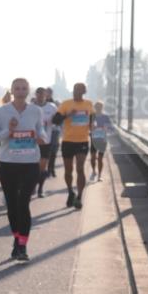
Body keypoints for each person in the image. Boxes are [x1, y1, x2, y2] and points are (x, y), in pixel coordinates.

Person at [0, 78, 49, 261]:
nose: (21, 91)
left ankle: (22, 246)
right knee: (12, 206)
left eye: (24, 88)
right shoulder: (2, 112)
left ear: (28, 91)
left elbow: (42, 131)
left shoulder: (36, 111)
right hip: (8, 163)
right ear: (12, 91)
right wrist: (9, 131)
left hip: (30, 163)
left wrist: (41, 138)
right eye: (17, 88)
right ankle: (16, 239)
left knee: (24, 204)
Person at [52, 82, 95, 210]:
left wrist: (92, 127)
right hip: (68, 141)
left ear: (84, 92)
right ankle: (71, 191)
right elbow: (55, 120)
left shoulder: (88, 104)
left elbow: (92, 117)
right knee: (68, 170)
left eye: (79, 90)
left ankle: (79, 197)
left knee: (80, 168)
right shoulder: (66, 104)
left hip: (82, 141)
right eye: (75, 89)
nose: (76, 92)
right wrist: (68, 115)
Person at [33, 87, 57, 198]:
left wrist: (54, 123)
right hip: (32, 141)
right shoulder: (30, 107)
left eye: (42, 94)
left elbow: (58, 121)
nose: (40, 96)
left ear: (46, 95)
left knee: (42, 166)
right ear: (35, 95)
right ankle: (32, 186)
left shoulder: (52, 107)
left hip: (46, 140)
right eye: (38, 94)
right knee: (33, 166)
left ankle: (40, 189)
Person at [89, 101, 112, 181]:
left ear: (102, 108)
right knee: (92, 157)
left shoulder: (106, 117)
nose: (98, 108)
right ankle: (93, 171)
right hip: (94, 139)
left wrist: (106, 128)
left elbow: (110, 127)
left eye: (100, 107)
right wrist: (91, 128)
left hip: (102, 139)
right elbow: (87, 127)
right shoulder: (91, 116)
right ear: (95, 108)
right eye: (97, 107)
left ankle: (99, 175)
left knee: (100, 158)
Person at [45, 87, 61, 177]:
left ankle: (51, 169)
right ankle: (43, 169)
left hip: (54, 130)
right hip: (44, 130)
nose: (48, 94)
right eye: (46, 92)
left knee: (53, 151)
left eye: (49, 93)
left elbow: (59, 116)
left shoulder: (55, 104)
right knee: (45, 151)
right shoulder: (40, 104)